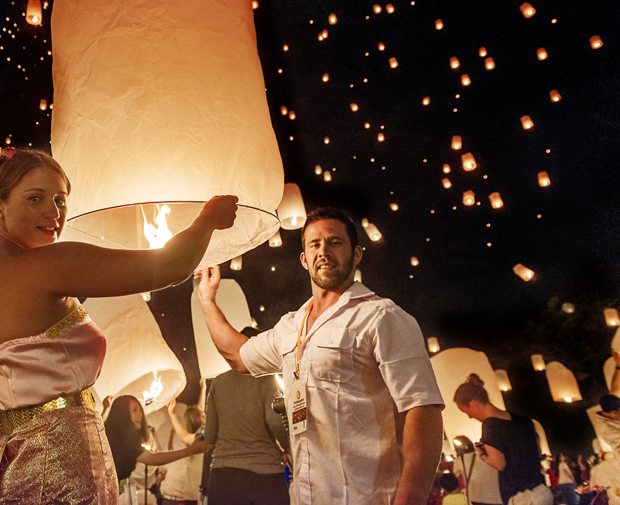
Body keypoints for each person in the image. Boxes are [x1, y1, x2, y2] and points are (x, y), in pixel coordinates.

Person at [0, 147, 236, 505]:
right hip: (56, 473)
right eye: (36, 198)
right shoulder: (45, 264)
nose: (54, 213)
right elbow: (170, 265)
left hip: (10, 468)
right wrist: (208, 218)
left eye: (60, 199)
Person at [197, 207, 444, 505]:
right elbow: (238, 356)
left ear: (356, 254)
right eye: (315, 244)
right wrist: (207, 300)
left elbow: (423, 410)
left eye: (335, 242)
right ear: (304, 259)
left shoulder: (382, 317)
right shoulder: (291, 327)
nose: (323, 251)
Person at [202, 327, 290, 505]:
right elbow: (275, 422)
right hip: (264, 475)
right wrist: (287, 447)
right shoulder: (268, 380)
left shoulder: (218, 382)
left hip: (223, 476)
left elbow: (209, 435)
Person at [454, 374, 551, 505]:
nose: (470, 417)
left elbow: (499, 464)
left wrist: (482, 453)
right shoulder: (523, 420)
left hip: (522, 497)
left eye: (466, 412)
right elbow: (536, 453)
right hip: (542, 491)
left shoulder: (490, 425)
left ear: (474, 405)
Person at [103, 395, 210, 503]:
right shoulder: (112, 436)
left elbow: (153, 458)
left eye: (140, 410)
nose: (140, 415)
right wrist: (190, 451)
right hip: (100, 490)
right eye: (134, 410)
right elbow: (155, 459)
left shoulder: (127, 440)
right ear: (122, 413)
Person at [162, 380, 207, 505]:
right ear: (197, 419)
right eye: (202, 414)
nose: (205, 414)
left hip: (193, 489)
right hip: (196, 491)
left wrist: (203, 389)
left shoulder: (201, 434)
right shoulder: (200, 437)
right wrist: (171, 415)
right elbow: (184, 436)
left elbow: (200, 409)